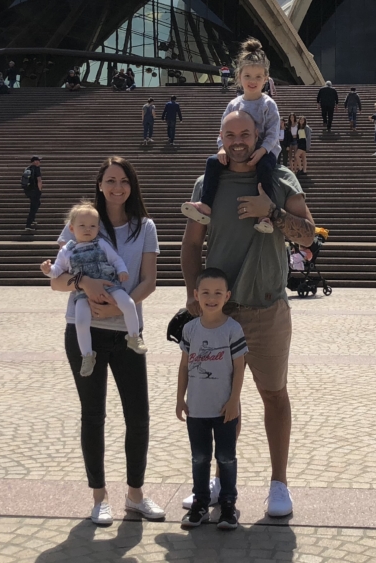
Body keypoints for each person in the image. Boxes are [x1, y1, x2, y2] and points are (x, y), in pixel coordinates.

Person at [180, 109, 316, 518]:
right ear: (220, 137)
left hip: (268, 308)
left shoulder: (280, 180)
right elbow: (190, 246)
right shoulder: (208, 183)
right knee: (221, 402)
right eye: (230, 133)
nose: (238, 140)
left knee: (274, 394)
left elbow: (309, 235)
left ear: (259, 135)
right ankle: (222, 480)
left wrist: (270, 212)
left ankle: (279, 483)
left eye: (245, 133)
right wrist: (191, 293)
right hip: (221, 315)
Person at [42, 156, 164, 526]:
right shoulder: (82, 222)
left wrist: (117, 302)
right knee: (93, 415)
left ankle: (136, 495)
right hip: (84, 334)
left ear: (132, 186)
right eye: (110, 180)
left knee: (137, 415)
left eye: (123, 181)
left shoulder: (144, 227)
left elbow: (148, 281)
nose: (117, 187)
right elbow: (57, 280)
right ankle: (99, 497)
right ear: (100, 184)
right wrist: (85, 285)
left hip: (126, 332)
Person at [180, 38, 281, 235]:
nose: (253, 81)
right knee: (212, 163)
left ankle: (264, 214)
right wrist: (221, 148)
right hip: (236, 150)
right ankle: (206, 205)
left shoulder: (268, 104)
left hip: (263, 151)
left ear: (266, 79)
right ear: (239, 76)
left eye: (258, 77)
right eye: (248, 75)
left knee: (265, 169)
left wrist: (262, 151)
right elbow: (224, 130)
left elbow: (273, 133)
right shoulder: (234, 104)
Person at [177, 267, 246, 531]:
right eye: (205, 292)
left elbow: (240, 368)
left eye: (218, 292)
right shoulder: (190, 329)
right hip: (197, 408)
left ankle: (228, 505)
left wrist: (234, 401)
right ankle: (200, 504)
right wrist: (179, 399)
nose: (211, 297)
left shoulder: (233, 329)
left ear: (227, 296)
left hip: (224, 409)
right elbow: (184, 366)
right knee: (200, 458)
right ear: (196, 295)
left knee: (226, 457)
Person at [50, 201, 149, 377]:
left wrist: (122, 270)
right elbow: (57, 272)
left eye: (92, 226)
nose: (87, 229)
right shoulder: (67, 250)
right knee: (81, 321)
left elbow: (116, 259)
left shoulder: (101, 244)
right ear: (71, 228)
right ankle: (87, 354)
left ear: (98, 228)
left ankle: (133, 337)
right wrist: (48, 270)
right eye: (82, 226)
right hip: (83, 294)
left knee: (128, 303)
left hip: (110, 284)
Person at [22, 156, 43, 231]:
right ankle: (28, 225)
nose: (39, 162)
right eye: (38, 160)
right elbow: (39, 180)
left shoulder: (28, 168)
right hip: (35, 190)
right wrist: (40, 190)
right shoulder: (36, 169)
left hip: (29, 190)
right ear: (35, 161)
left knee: (36, 204)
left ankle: (32, 219)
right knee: (33, 207)